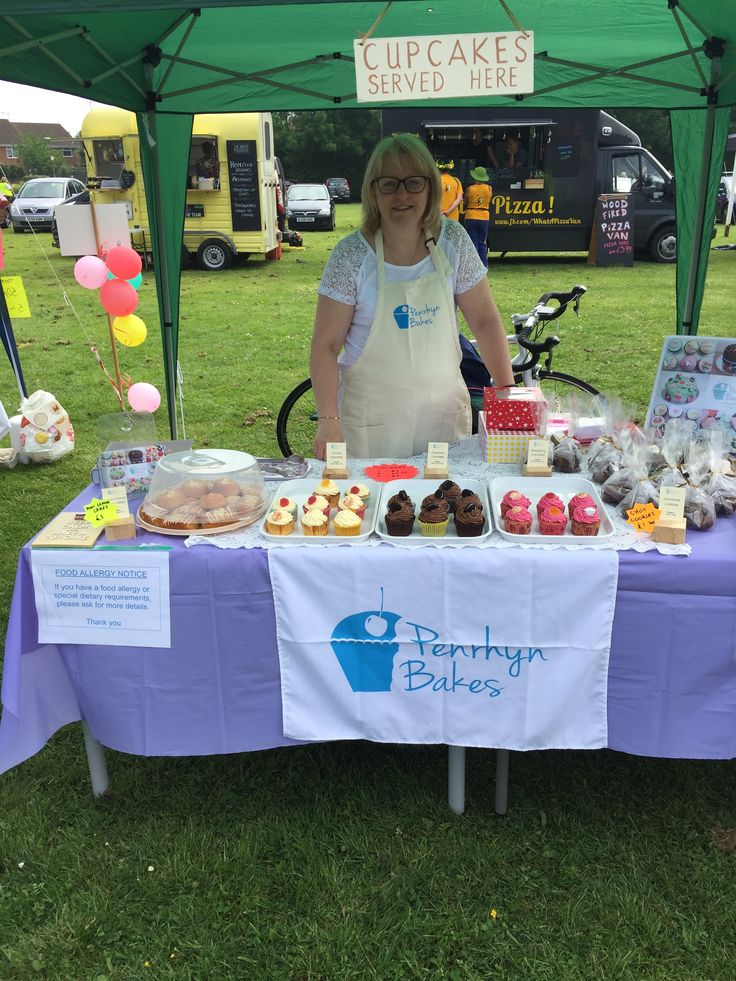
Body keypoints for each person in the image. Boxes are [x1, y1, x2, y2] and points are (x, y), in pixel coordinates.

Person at [309, 133, 513, 460]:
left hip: (443, 423)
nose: (402, 194)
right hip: (369, 427)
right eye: (389, 183)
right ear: (373, 190)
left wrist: (507, 394)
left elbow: (486, 323)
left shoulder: (454, 242)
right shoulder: (351, 256)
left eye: (414, 182)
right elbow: (325, 345)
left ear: (430, 187)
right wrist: (328, 421)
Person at [464, 166, 492, 269]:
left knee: (472, 241)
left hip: (471, 215)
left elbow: (465, 201)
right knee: (482, 242)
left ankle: (473, 266)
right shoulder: (489, 188)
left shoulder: (469, 189)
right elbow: (489, 200)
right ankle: (483, 265)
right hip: (484, 216)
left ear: (475, 177)